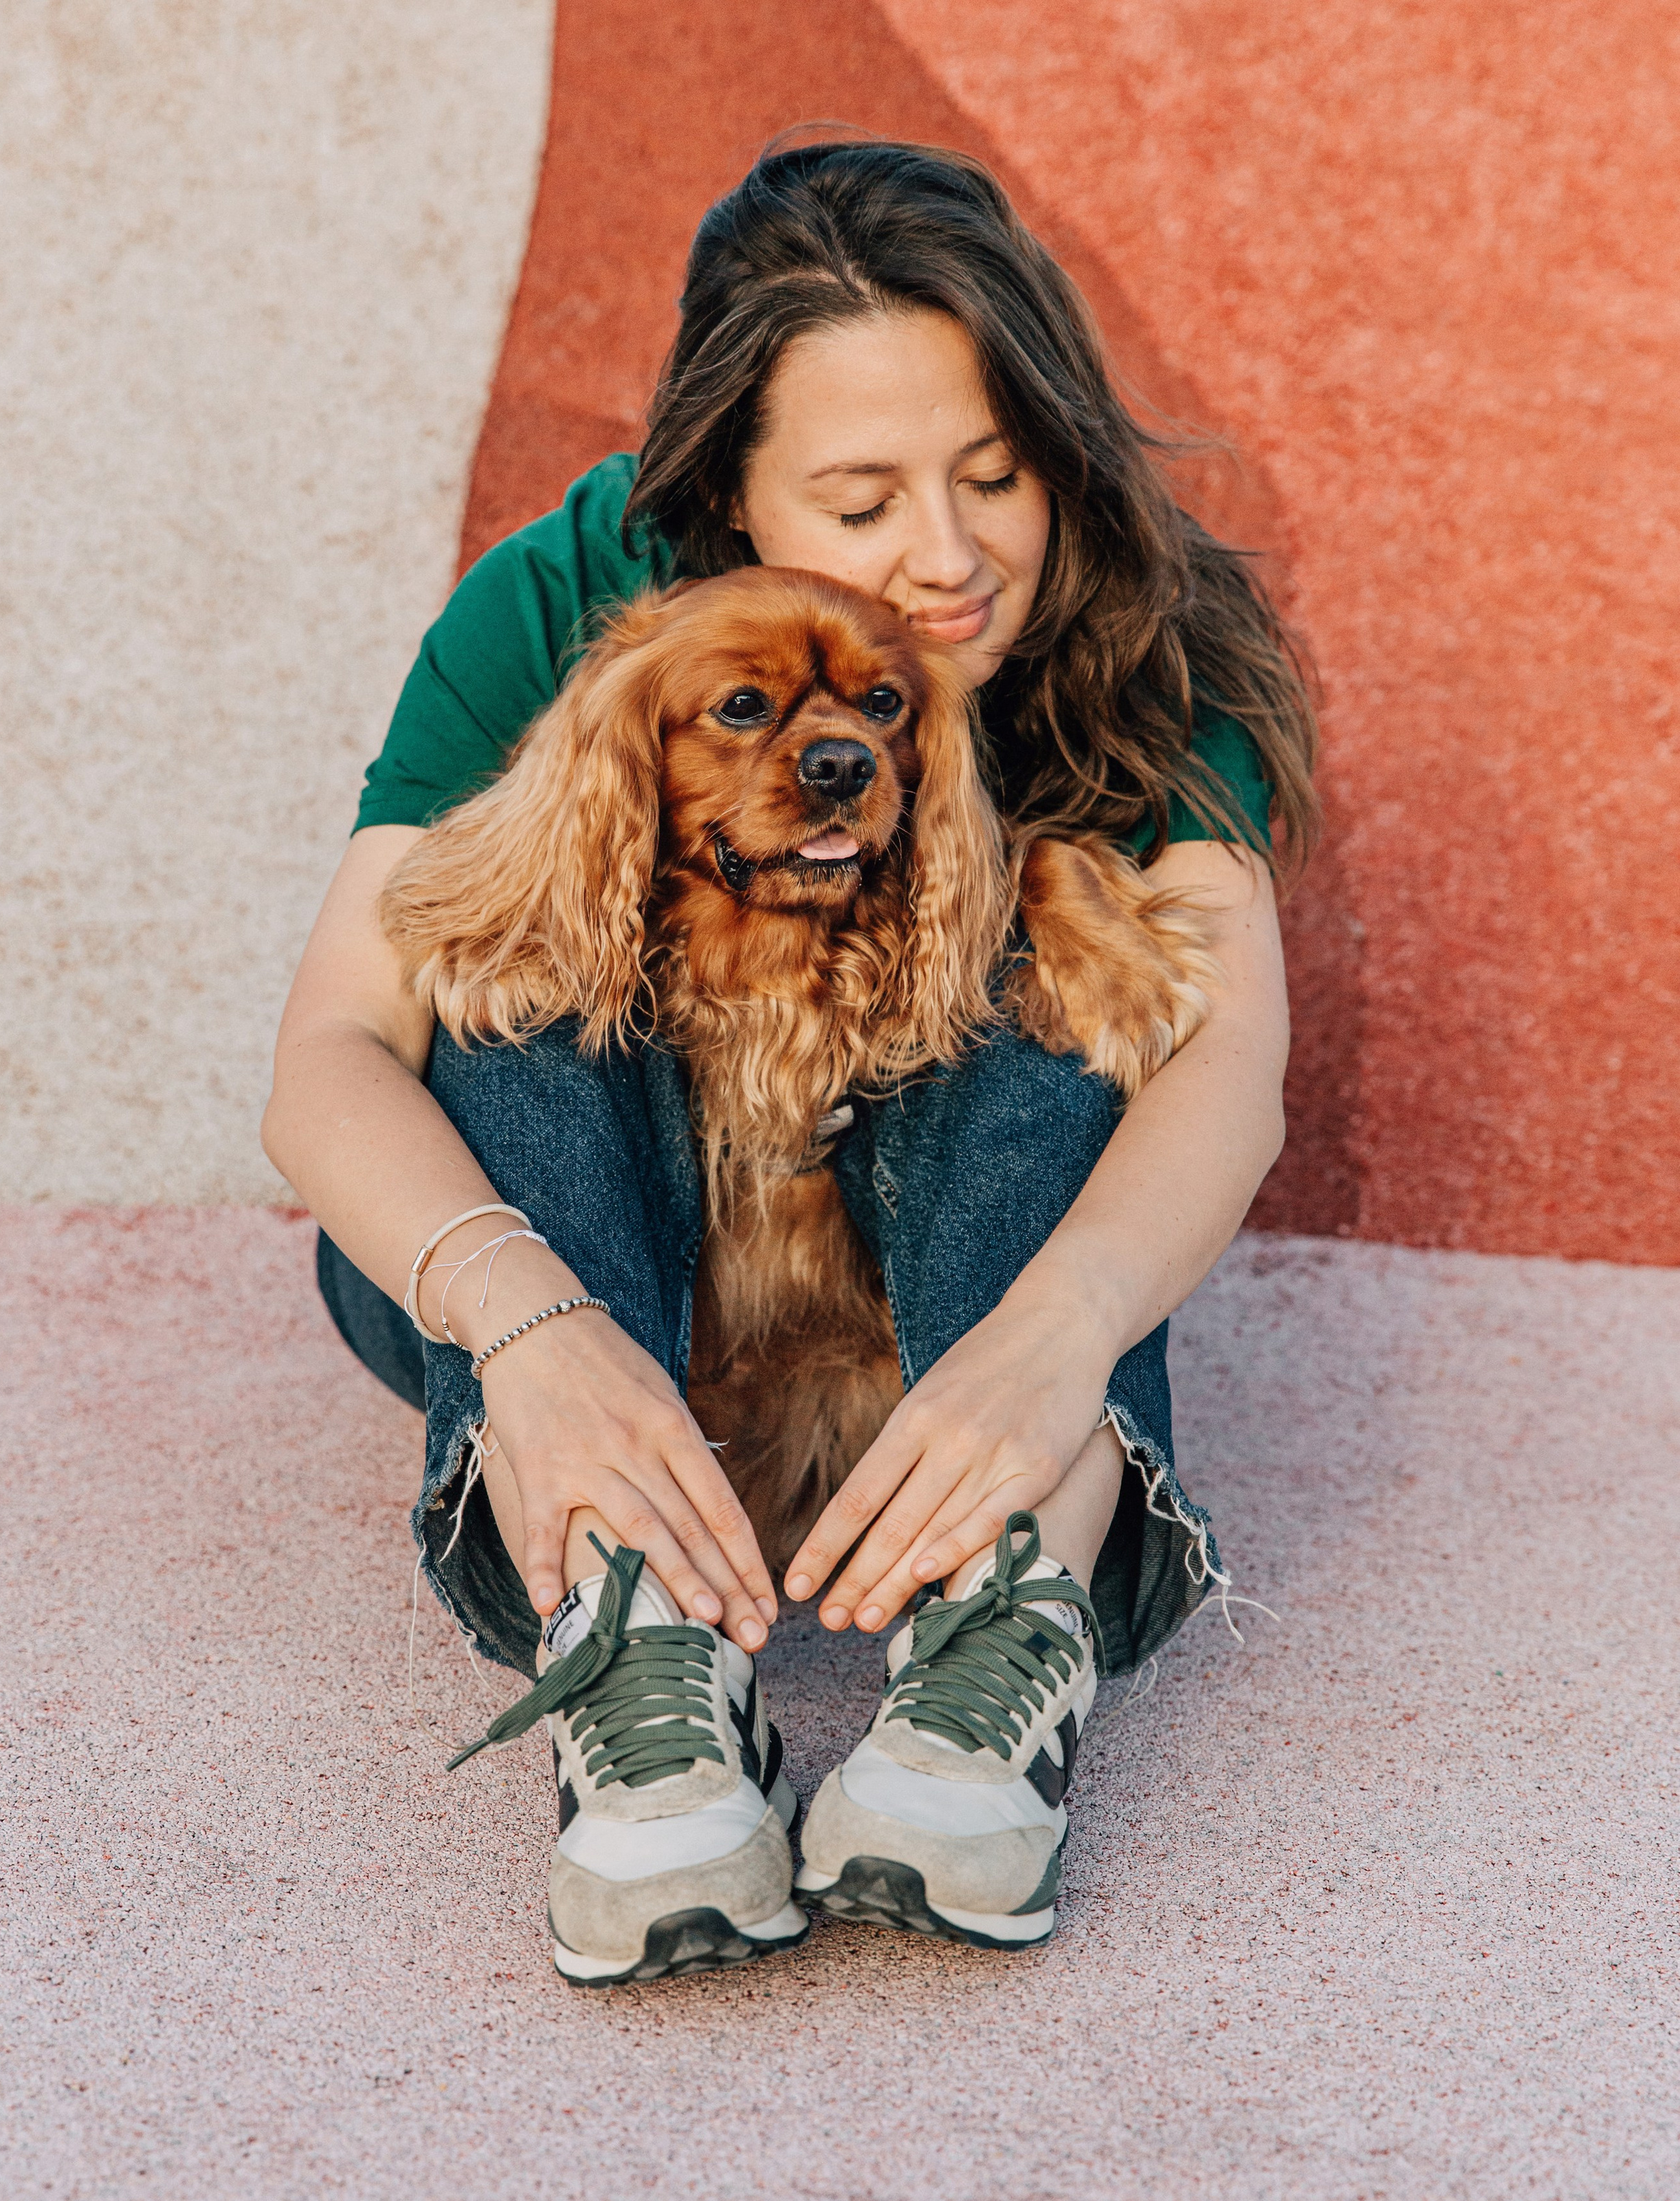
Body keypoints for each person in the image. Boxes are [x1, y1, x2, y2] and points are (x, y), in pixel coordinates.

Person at [263, 140, 1318, 1984]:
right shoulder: (568, 595)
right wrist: (532, 1323)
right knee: (510, 961)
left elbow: (1229, 1066)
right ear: (727, 498)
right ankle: (635, 1651)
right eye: (860, 499)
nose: (951, 557)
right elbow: (332, 1054)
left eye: (997, 473)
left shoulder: (1130, 632)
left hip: (910, 1297)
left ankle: (1000, 1653)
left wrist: (1061, 1335)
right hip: (572, 1248)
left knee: (1072, 933)